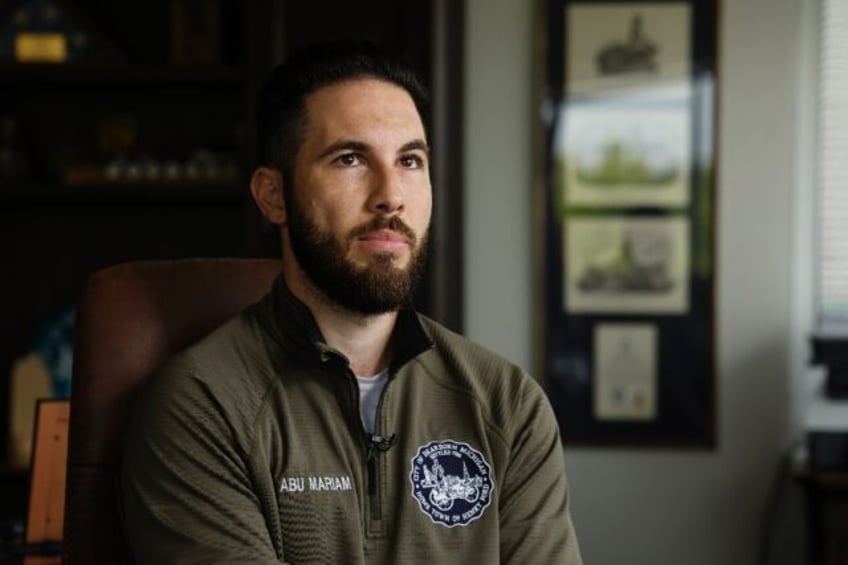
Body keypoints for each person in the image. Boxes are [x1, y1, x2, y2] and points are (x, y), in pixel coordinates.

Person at [121, 40, 582, 565]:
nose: (391, 195)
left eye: (410, 160)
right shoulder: (203, 405)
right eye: (350, 159)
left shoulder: (508, 405)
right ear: (274, 196)